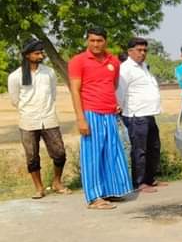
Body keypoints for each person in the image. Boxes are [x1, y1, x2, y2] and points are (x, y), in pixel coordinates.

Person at [68, 27, 133, 210]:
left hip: (109, 113)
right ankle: (94, 197)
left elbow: (112, 85)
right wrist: (80, 118)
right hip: (90, 113)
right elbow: (75, 90)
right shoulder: (78, 61)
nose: (96, 44)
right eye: (92, 40)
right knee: (93, 155)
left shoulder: (113, 61)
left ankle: (111, 190)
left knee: (112, 152)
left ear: (106, 41)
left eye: (99, 40)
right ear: (87, 41)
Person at [8, 39, 70, 199]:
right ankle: (39, 188)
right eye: (37, 53)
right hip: (28, 121)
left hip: (49, 119)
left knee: (59, 153)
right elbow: (15, 100)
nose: (41, 55)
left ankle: (57, 182)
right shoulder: (15, 76)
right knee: (32, 156)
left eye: (41, 52)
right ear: (28, 55)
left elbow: (53, 94)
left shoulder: (48, 72)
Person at [116, 37, 166, 193]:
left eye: (145, 50)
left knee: (154, 147)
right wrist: (122, 112)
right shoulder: (125, 69)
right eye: (139, 50)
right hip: (136, 115)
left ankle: (150, 179)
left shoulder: (144, 66)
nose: (142, 53)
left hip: (149, 113)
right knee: (140, 150)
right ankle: (139, 183)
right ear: (130, 51)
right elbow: (120, 93)